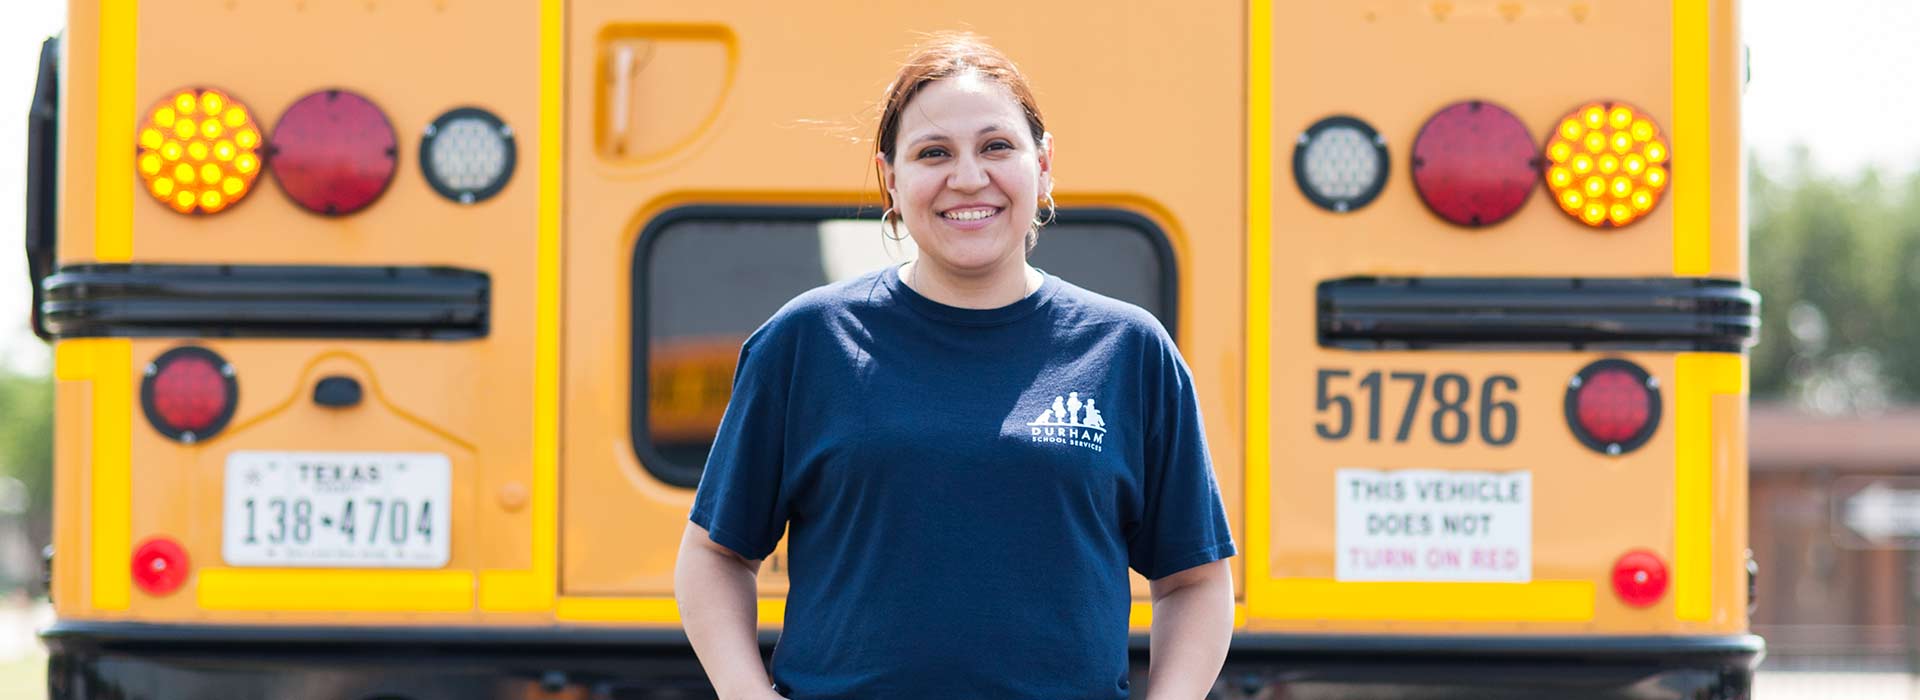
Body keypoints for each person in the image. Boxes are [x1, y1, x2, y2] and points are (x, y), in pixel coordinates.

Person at [674, 32, 1236, 700]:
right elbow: (714, 554)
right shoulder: (806, 341)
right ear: (891, 177)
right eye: (933, 153)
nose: (969, 178)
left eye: (997, 146)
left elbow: (1194, 580)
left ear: (1044, 163)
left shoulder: (1130, 350)